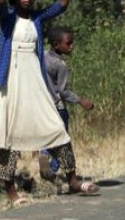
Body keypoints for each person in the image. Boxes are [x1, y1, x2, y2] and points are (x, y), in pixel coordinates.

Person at [0, 0, 100, 205]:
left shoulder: (37, 19)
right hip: (11, 82)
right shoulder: (7, 19)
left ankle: (72, 180)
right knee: (9, 135)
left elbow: (62, 4)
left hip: (34, 81)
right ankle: (11, 191)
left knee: (56, 126)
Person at [38, 26, 95, 182]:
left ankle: (43, 154)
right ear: (57, 45)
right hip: (58, 107)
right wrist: (80, 100)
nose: (71, 46)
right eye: (68, 43)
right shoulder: (60, 65)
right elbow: (62, 91)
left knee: (47, 136)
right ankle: (54, 172)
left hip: (43, 106)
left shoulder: (42, 57)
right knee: (62, 139)